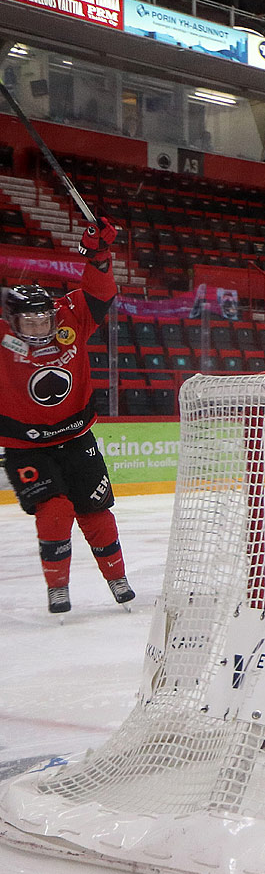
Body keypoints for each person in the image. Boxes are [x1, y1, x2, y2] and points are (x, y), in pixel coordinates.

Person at [1, 217, 134, 615]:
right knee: (55, 511)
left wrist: (99, 253)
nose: (40, 326)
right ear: (12, 320)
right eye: (30, 321)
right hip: (25, 447)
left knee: (97, 513)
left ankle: (118, 578)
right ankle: (57, 586)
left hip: (76, 437)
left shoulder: (71, 316)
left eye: (44, 319)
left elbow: (100, 291)